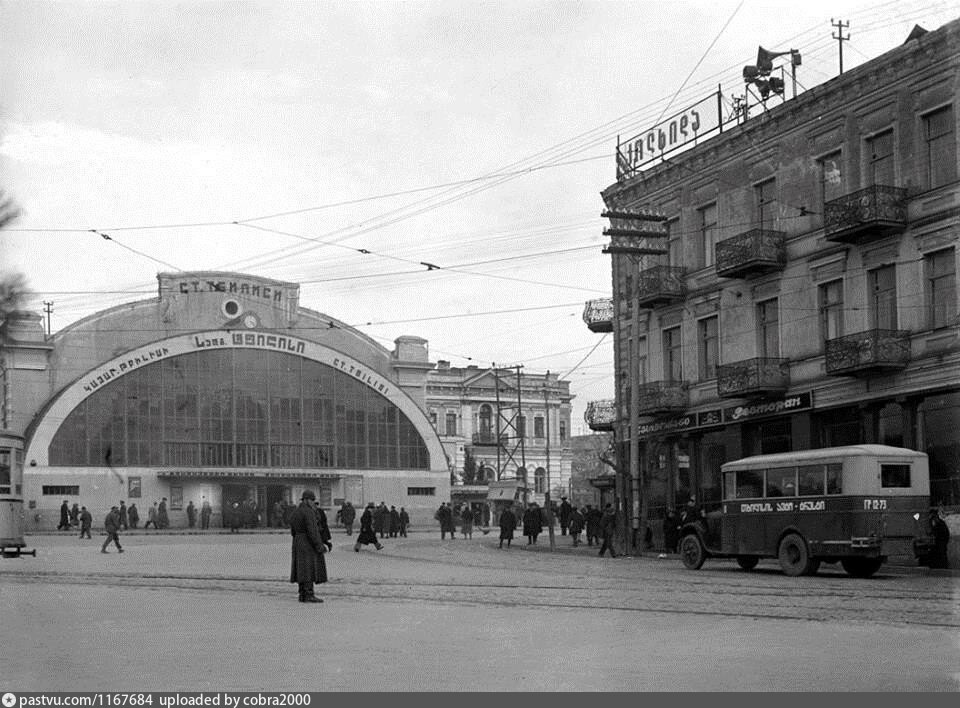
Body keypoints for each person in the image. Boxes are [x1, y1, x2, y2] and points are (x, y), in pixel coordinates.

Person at [288, 490, 326, 603]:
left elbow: (292, 531)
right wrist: (319, 545)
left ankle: (302, 594)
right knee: (308, 568)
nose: (313, 502)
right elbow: (312, 530)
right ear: (306, 500)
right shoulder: (308, 512)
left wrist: (298, 538)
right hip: (307, 543)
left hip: (297, 541)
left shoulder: (296, 511)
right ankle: (309, 594)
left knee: (301, 568)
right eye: (312, 500)